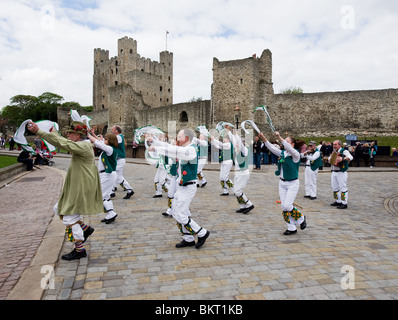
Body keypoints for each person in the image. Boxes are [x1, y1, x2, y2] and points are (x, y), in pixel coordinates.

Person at [27, 120, 102, 261]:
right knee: (59, 209)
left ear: (78, 135)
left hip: (81, 186)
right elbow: (64, 141)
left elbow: (63, 143)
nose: (68, 134)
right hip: (78, 185)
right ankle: (85, 229)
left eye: (71, 133)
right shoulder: (81, 144)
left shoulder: (83, 146)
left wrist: (39, 131)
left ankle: (80, 250)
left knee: (68, 217)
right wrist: (54, 133)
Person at [148, 128, 210, 249]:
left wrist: (156, 148)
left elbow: (174, 150)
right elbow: (172, 148)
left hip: (188, 187)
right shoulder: (185, 149)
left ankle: (202, 233)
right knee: (176, 213)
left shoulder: (191, 150)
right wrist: (155, 141)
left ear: (186, 138)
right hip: (182, 187)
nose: (177, 139)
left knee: (181, 214)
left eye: (179, 137)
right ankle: (188, 238)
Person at [259, 131, 307, 235]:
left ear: (293, 144)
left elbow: (289, 149)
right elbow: (271, 147)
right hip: (282, 183)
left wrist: (280, 138)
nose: (285, 143)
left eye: (287, 141)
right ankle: (291, 227)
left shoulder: (296, 155)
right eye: (285, 141)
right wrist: (263, 138)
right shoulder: (282, 154)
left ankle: (301, 218)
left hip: (292, 183)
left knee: (287, 206)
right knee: (283, 207)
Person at [88, 130, 119, 224]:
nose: (104, 140)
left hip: (107, 174)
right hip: (106, 174)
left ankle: (111, 213)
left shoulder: (110, 149)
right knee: (105, 195)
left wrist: (88, 135)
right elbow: (100, 142)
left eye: (106, 139)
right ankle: (110, 213)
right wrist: (93, 134)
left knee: (100, 194)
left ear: (110, 140)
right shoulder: (109, 148)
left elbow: (99, 144)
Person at [231, 133, 254, 214]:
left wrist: (236, 135)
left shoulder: (245, 150)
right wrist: (230, 132)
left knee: (238, 191)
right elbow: (233, 141)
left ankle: (249, 204)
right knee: (236, 191)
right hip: (237, 173)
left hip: (243, 173)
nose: (236, 144)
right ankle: (242, 206)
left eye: (237, 143)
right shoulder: (237, 151)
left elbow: (239, 144)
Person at [111, 125, 134, 199]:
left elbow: (108, 142)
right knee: (113, 174)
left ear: (116, 130)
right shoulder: (119, 137)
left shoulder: (118, 137)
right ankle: (111, 191)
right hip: (118, 159)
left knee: (118, 176)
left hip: (120, 160)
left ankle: (129, 190)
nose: (111, 130)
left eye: (113, 129)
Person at [328, 140, 353, 209]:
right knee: (334, 187)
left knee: (343, 187)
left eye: (335, 144)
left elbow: (351, 157)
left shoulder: (344, 151)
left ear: (340, 145)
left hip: (341, 172)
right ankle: (338, 201)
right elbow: (330, 159)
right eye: (333, 144)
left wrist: (343, 159)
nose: (334, 146)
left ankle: (344, 203)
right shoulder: (334, 152)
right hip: (334, 171)